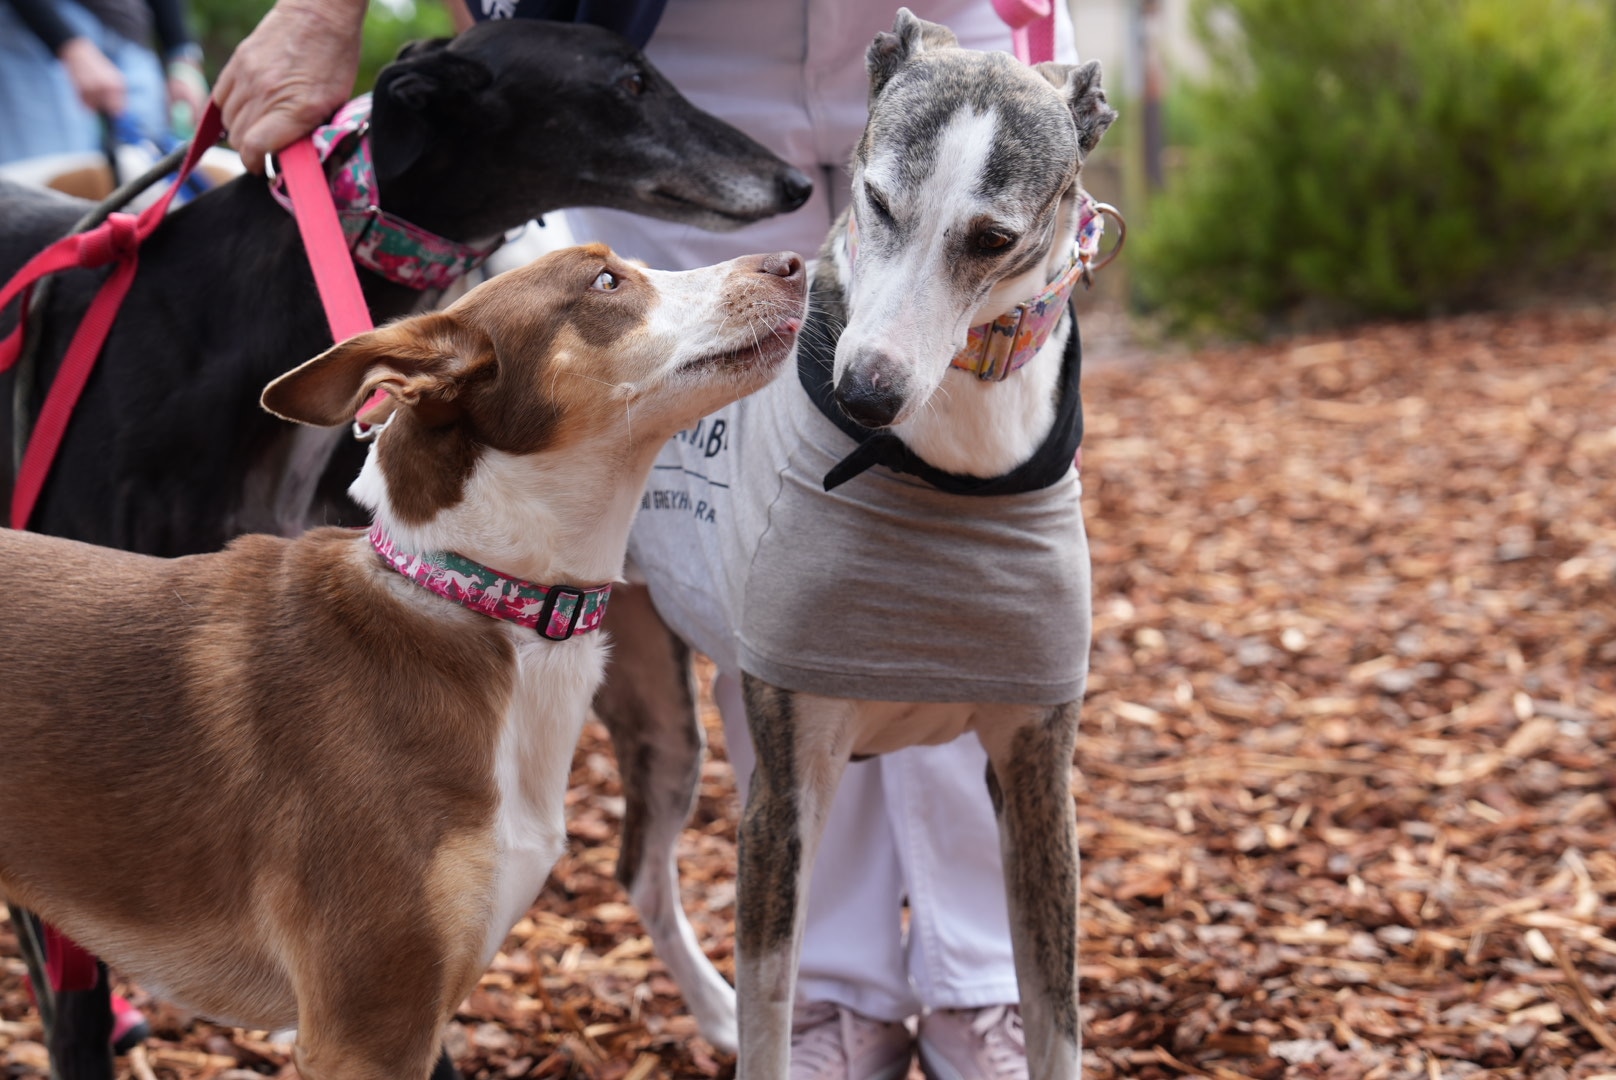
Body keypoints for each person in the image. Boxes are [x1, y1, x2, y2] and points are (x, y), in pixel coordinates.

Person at [213, 4, 1078, 1077]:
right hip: (685, 55)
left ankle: (980, 986)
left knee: (970, 567)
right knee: (774, 568)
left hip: (958, 39)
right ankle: (833, 993)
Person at [0, 0, 208, 165]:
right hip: (32, 32)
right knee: (53, 184)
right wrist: (68, 45)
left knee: (146, 179)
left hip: (130, 32)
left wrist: (181, 55)